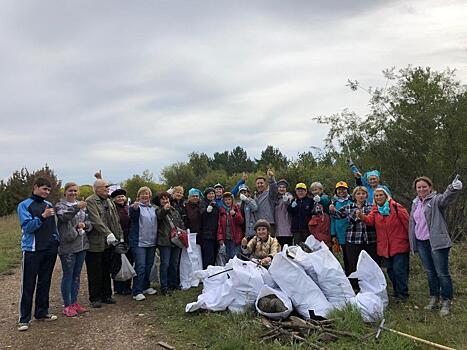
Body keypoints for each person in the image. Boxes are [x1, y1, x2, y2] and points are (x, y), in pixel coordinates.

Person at [409, 175, 462, 316]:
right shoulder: (415, 203)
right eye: (419, 187)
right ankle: (434, 298)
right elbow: (413, 224)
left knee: (442, 273)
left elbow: (446, 199)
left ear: (430, 187)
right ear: (416, 189)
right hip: (422, 242)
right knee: (430, 273)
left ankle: (446, 301)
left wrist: (452, 188)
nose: (421, 189)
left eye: (424, 186)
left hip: (437, 243)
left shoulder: (436, 199)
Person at [17, 178, 59, 331]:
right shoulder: (24, 205)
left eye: (48, 190)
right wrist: (42, 216)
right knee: (28, 283)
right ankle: (24, 318)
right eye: (44, 189)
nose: (46, 192)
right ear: (35, 187)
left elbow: (53, 227)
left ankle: (42, 312)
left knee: (45, 281)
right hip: (32, 250)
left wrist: (56, 241)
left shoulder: (49, 205)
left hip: (49, 249)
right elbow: (28, 227)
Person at [357, 187, 410, 300]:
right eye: (376, 196)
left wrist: (411, 241)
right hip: (385, 247)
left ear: (386, 196)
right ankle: (397, 292)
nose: (378, 197)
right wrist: (362, 217)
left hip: (399, 243)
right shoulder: (375, 210)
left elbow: (408, 223)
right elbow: (370, 221)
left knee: (399, 270)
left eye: (381, 195)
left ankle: (403, 294)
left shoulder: (396, 207)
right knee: (390, 270)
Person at [330, 186, 378, 289]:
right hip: (353, 239)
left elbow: (374, 221)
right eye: (358, 194)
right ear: (354, 196)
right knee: (353, 263)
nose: (361, 196)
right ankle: (354, 286)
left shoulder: (372, 207)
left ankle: (371, 284)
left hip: (370, 239)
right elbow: (338, 216)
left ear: (366, 195)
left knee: (370, 263)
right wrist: (333, 210)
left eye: (363, 194)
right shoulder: (348, 206)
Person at [55, 182, 92, 317]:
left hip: (82, 244)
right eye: (70, 191)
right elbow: (64, 217)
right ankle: (67, 304)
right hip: (67, 246)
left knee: (77, 275)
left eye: (75, 191)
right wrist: (76, 207)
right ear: (65, 192)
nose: (73, 193)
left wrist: (85, 225)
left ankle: (75, 302)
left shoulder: (82, 206)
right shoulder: (60, 205)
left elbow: (89, 223)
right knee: (68, 275)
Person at [85, 179, 123, 308]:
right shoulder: (91, 201)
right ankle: (95, 297)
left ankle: (107, 295)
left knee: (106, 269)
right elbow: (95, 220)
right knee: (95, 271)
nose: (107, 189)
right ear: (97, 189)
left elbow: (115, 220)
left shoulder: (108, 201)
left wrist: (119, 236)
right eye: (105, 187)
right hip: (96, 242)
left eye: (107, 187)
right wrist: (108, 233)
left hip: (109, 243)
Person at [129, 187, 158, 301]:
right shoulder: (135, 207)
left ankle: (146, 286)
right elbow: (133, 217)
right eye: (142, 194)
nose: (145, 196)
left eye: (147, 194)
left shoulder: (153, 208)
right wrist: (135, 209)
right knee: (140, 266)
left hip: (152, 241)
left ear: (150, 196)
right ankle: (137, 291)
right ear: (138, 196)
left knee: (148, 266)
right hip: (139, 242)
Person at [157, 191, 185, 295]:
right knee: (165, 264)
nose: (165, 200)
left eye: (167, 198)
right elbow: (159, 216)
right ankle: (164, 287)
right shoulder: (158, 210)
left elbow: (181, 223)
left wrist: (183, 232)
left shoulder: (175, 211)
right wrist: (165, 209)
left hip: (177, 240)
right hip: (165, 241)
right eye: (163, 199)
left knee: (174, 263)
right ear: (160, 201)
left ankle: (173, 284)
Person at [110, 188, 132, 295]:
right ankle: (118, 287)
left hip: (129, 238)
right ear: (114, 199)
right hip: (117, 239)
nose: (121, 198)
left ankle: (127, 286)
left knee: (129, 261)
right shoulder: (113, 209)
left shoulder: (128, 208)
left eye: (122, 196)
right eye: (118, 197)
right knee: (117, 262)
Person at [329, 181, 352, 272]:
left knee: (352, 256)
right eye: (339, 189)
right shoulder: (334, 203)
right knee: (345, 256)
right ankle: (348, 274)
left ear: (347, 190)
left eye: (343, 189)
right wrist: (333, 234)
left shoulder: (351, 201)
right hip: (340, 234)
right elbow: (333, 220)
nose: (341, 191)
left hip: (352, 232)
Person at [217, 192, 244, 261]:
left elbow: (241, 221)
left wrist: (235, 215)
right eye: (226, 200)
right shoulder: (221, 211)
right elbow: (219, 226)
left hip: (236, 239)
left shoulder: (236, 208)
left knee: (235, 259)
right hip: (226, 240)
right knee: (227, 259)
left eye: (229, 199)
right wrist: (220, 239)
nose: (228, 201)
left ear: (232, 200)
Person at [200, 188, 219, 268]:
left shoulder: (215, 204)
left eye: (212, 193)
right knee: (208, 257)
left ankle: (212, 276)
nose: (211, 195)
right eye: (209, 194)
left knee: (214, 256)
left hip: (215, 234)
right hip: (206, 235)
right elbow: (201, 216)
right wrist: (207, 210)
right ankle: (206, 276)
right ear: (206, 195)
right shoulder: (203, 203)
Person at [308, 182, 332, 248]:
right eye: (312, 190)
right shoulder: (314, 200)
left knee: (325, 243)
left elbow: (325, 200)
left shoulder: (324, 197)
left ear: (321, 190)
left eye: (316, 189)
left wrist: (320, 199)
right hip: (317, 225)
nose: (314, 192)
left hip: (325, 224)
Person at [274, 179, 293, 247]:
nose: (281, 189)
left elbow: (288, 201)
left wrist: (286, 199)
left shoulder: (288, 195)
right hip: (277, 230)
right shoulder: (275, 198)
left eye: (283, 187)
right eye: (280, 187)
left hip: (287, 231)